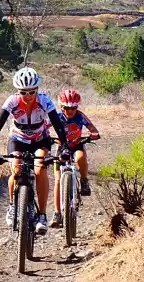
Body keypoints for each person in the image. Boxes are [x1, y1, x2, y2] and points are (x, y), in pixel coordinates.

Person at [0, 67, 69, 235]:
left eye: (31, 92)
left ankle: (42, 215)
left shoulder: (45, 101)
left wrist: (64, 146)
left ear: (37, 89)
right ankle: (13, 206)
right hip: (18, 140)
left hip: (40, 139)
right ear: (17, 91)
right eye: (23, 92)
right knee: (16, 169)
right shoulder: (12, 101)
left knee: (40, 167)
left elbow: (57, 125)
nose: (27, 96)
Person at [50, 88, 100, 229]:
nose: (70, 111)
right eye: (67, 108)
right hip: (61, 148)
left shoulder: (80, 116)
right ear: (61, 107)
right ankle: (57, 213)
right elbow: (44, 126)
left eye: (73, 108)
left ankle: (84, 180)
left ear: (77, 107)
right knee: (58, 180)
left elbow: (91, 127)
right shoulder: (57, 116)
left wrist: (94, 133)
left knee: (80, 158)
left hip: (76, 145)